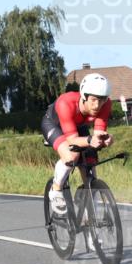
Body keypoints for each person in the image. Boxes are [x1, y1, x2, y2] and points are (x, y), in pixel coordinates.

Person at [42, 73, 114, 215]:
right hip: (54, 125)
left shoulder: (106, 104)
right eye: (93, 100)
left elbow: (98, 134)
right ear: (84, 96)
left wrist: (107, 139)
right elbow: (72, 140)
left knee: (90, 161)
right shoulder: (66, 103)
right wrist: (89, 140)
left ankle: (88, 211)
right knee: (72, 156)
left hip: (77, 125)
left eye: (102, 100)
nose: (97, 105)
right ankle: (56, 189)